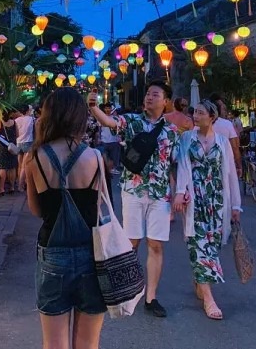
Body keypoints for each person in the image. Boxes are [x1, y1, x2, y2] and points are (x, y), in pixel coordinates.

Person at [87, 81, 179, 318]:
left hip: (160, 194)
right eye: (148, 94)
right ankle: (128, 290)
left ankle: (151, 297)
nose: (149, 97)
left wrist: (177, 192)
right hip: (133, 190)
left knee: (156, 244)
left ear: (166, 100)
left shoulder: (171, 131)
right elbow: (108, 122)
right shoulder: (132, 121)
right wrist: (92, 105)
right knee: (132, 243)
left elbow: (173, 166)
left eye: (155, 94)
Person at [24, 87, 105, 349]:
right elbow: (101, 210)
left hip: (53, 254)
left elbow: (37, 211)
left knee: (55, 344)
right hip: (91, 255)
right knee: (88, 343)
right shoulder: (94, 157)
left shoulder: (36, 157)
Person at [173, 100, 241, 320]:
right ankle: (210, 299)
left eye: (201, 113)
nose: (196, 116)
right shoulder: (186, 138)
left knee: (211, 244)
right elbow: (182, 166)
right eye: (196, 113)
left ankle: (200, 281)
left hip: (217, 200)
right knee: (197, 242)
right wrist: (180, 191)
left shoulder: (222, 142)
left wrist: (236, 205)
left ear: (212, 117)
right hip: (195, 199)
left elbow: (230, 174)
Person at [209, 94, 242, 176]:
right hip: (225, 166)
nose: (225, 112)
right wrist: (239, 166)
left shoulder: (200, 125)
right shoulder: (227, 124)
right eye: (223, 109)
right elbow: (235, 147)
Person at [0, 112, 19, 196]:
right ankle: (12, 187)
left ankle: (1, 189)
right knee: (12, 167)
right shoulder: (14, 122)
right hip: (12, 146)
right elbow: (17, 135)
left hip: (3, 147)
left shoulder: (0, 122)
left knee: (3, 167)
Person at [15, 104, 35, 191]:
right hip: (28, 143)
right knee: (24, 166)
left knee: (20, 166)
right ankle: (20, 186)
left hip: (18, 143)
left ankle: (20, 183)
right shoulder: (31, 119)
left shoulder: (16, 120)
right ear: (27, 111)